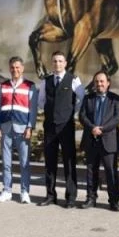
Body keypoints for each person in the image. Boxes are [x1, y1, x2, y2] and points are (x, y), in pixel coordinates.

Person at [37, 51, 84, 208]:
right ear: (52, 63)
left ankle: (71, 197)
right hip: (50, 127)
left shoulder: (73, 79)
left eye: (60, 61)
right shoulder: (46, 81)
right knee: (50, 162)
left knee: (69, 162)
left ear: (65, 63)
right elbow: (41, 101)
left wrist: (71, 112)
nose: (57, 64)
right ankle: (50, 195)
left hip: (66, 126)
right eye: (55, 61)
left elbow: (81, 98)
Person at [0, 56, 37, 204]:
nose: (15, 70)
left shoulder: (30, 86)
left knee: (24, 162)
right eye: (12, 67)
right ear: (9, 69)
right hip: (6, 128)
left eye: (17, 67)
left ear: (22, 68)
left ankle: (24, 192)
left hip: (23, 129)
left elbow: (33, 109)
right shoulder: (3, 86)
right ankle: (7, 190)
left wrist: (30, 127)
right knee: (6, 162)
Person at [79, 71, 119, 211]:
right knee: (91, 171)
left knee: (111, 172)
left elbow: (117, 118)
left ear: (108, 83)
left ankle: (114, 201)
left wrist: (102, 129)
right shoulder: (88, 98)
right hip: (91, 139)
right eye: (97, 81)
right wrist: (93, 128)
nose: (99, 84)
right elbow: (82, 116)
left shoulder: (116, 99)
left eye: (102, 81)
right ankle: (91, 198)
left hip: (108, 140)